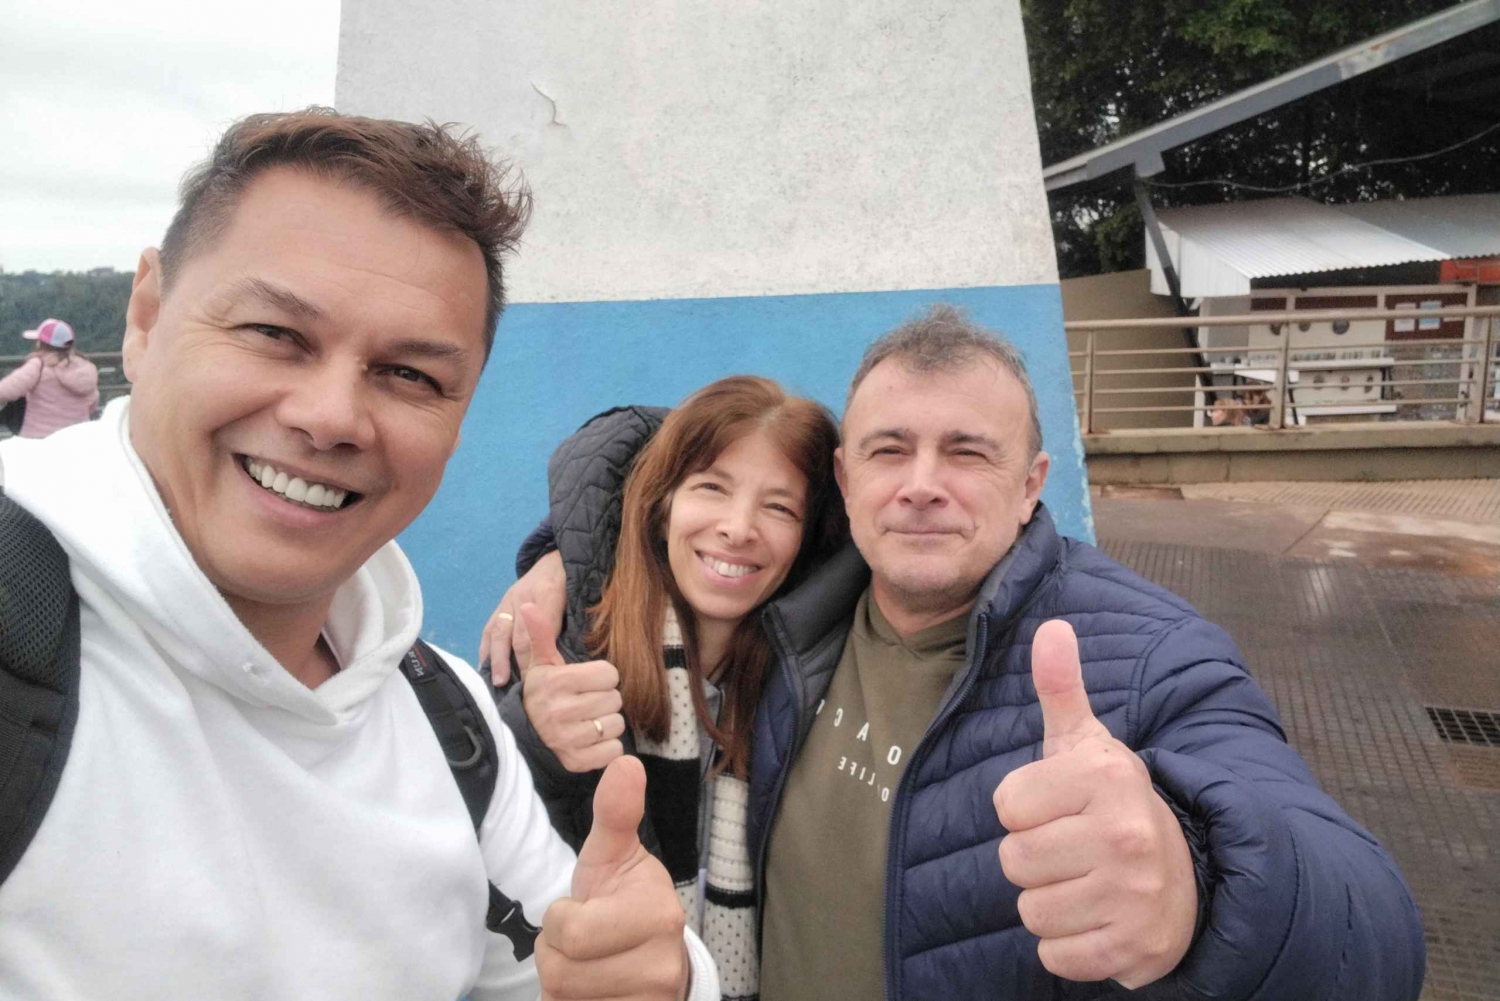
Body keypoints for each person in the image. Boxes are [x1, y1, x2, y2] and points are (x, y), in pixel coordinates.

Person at [486, 304, 1426, 1000]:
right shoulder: (798, 604)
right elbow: (670, 454)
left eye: (968, 453)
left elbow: (1376, 934)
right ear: (845, 481)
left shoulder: (1143, 654)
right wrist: (565, 554)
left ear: (1032, 485)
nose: (923, 486)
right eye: (890, 449)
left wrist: (1205, 884)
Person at [0, 108, 717, 1001]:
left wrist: (664, 978)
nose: (332, 415)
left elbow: (547, 970)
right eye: (274, 333)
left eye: (410, 375)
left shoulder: (447, 715)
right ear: (145, 317)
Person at [489, 376, 845, 1001]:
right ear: (661, 502)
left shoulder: (820, 675)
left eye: (779, 507)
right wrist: (535, 733)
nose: (739, 528)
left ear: (808, 537)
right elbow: (486, 832)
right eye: (711, 486)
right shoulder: (561, 645)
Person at [0, 319, 99, 438]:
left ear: (41, 344)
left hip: (39, 440)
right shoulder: (86, 368)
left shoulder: (38, 365)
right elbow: (93, 404)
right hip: (77, 440)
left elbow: (6, 390)